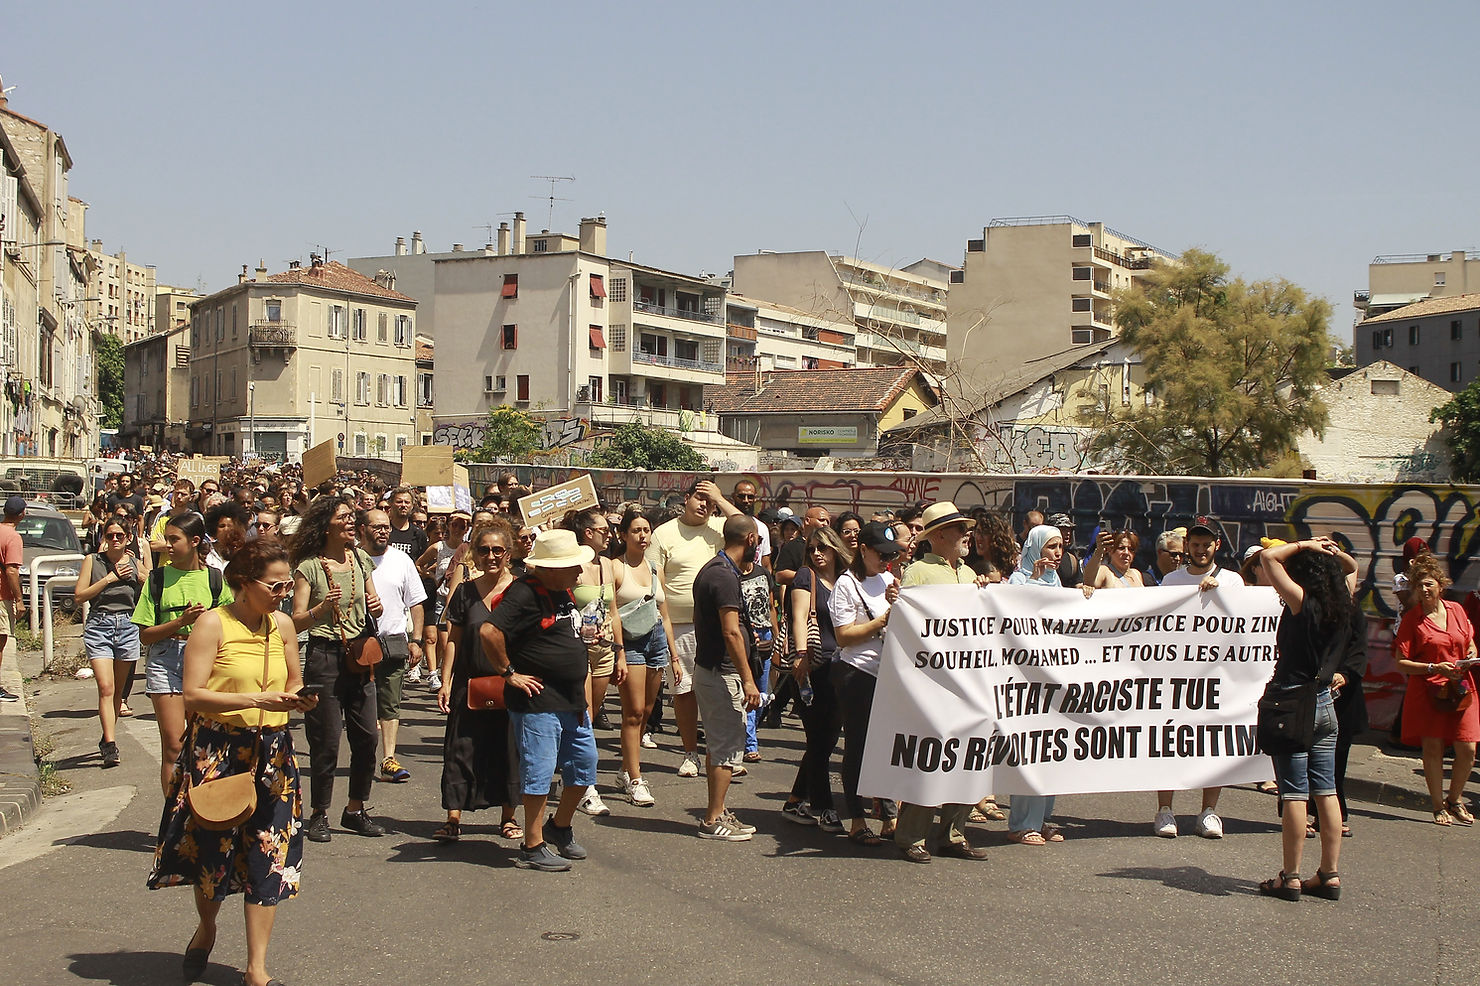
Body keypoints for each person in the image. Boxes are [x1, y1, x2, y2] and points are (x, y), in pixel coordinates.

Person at [147, 535, 315, 986]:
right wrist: (254, 697)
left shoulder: (281, 625)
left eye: (286, 586)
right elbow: (192, 695)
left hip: (274, 753)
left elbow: (294, 680)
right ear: (243, 582)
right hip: (217, 752)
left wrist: (299, 700)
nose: (283, 594)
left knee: (269, 851)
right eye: (274, 586)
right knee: (213, 853)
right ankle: (207, 927)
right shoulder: (213, 625)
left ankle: (256, 967)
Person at [479, 529, 600, 872]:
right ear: (549, 567)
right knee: (539, 772)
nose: (579, 571)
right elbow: (489, 631)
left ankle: (558, 827)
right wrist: (508, 673)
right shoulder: (524, 593)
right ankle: (532, 844)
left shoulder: (562, 592)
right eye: (572, 565)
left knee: (584, 767)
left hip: (572, 701)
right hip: (538, 701)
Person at [1255, 536, 1359, 901]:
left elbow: (1268, 557)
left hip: (1293, 702)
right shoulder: (1343, 604)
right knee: (1326, 791)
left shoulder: (1303, 604)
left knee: (1295, 794)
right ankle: (1329, 873)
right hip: (1325, 701)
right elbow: (1352, 567)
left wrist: (1304, 545)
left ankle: (1291, 876)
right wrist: (1333, 553)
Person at [893, 502, 990, 862]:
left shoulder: (970, 575)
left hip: (971, 682)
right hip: (934, 683)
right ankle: (911, 837)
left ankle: (954, 832)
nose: (966, 534)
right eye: (959, 528)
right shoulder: (918, 573)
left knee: (969, 757)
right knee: (930, 758)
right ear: (939, 535)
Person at [289, 496, 386, 842]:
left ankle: (355, 809)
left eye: (351, 516)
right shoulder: (309, 567)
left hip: (360, 656)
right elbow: (296, 622)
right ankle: (319, 813)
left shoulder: (360, 560)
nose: (350, 522)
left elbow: (374, 605)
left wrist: (376, 605)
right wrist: (320, 609)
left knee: (367, 737)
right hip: (324, 658)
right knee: (326, 740)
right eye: (343, 516)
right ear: (325, 524)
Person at [1153, 516, 1244, 838]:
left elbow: (1243, 626)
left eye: (1207, 544)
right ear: (1187, 546)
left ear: (1217, 545)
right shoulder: (1172, 581)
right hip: (1176, 677)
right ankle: (1165, 810)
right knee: (1169, 743)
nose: (1201, 550)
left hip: (1217, 676)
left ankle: (1209, 811)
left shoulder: (1232, 581)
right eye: (1195, 544)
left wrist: (1222, 596)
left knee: (1212, 745)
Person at [434, 519, 522, 843]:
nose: (491, 556)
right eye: (484, 550)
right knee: (460, 749)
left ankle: (509, 817)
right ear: (475, 553)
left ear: (508, 552)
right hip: (467, 684)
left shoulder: (520, 591)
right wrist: (444, 681)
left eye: (498, 550)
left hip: (511, 685)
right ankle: (453, 818)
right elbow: (453, 639)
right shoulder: (465, 592)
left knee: (508, 750)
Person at [133, 512, 232, 796]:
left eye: (174, 539)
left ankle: (201, 812)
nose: (168, 545)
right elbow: (145, 634)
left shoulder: (215, 580)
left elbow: (231, 624)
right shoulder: (157, 579)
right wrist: (179, 622)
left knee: (205, 743)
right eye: (167, 539)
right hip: (166, 658)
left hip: (206, 661)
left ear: (195, 541)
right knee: (175, 745)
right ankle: (173, 817)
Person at [647, 481, 738, 778]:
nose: (704, 505)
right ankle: (690, 754)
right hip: (680, 624)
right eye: (699, 498)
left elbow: (750, 530)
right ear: (686, 499)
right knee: (684, 691)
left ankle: (724, 755)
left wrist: (720, 498)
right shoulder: (664, 533)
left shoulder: (721, 528)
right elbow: (655, 581)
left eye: (708, 501)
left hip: (716, 625)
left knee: (723, 690)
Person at [690, 515, 764, 841]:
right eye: (758, 541)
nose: (759, 548)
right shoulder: (723, 576)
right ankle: (712, 819)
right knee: (725, 748)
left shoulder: (717, 569)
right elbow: (732, 632)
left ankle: (719, 811)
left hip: (715, 671)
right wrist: (748, 680)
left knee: (721, 744)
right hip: (721, 673)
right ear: (749, 539)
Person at [1392, 553, 1479, 825]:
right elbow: (1402, 662)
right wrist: (1433, 667)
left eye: (1429, 584)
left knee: (1468, 748)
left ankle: (1455, 798)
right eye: (1419, 585)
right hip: (1427, 689)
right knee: (1433, 748)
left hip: (1460, 685)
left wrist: (1470, 655)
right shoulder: (1413, 619)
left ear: (1441, 585)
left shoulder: (1456, 609)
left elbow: (1469, 641)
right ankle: (1438, 805)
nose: (1424, 589)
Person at [830, 521, 902, 847]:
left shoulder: (887, 579)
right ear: (863, 550)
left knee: (886, 746)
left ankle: (889, 816)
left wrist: (898, 604)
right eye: (880, 555)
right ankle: (857, 819)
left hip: (887, 673)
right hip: (856, 673)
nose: (886, 561)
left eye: (891, 555)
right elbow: (844, 636)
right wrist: (880, 621)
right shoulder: (846, 585)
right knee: (858, 747)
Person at [1005, 525, 1077, 846]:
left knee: (1052, 750)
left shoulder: (1058, 581)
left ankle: (1044, 817)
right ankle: (1023, 823)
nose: (1057, 553)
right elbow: (1015, 617)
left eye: (1060, 546)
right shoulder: (1018, 579)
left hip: (1054, 677)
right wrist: (1033, 582)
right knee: (1030, 751)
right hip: (1027, 681)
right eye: (1050, 547)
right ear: (1035, 548)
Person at [779, 526, 850, 830]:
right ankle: (823, 807)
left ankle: (796, 800)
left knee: (827, 738)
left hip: (842, 667)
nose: (818, 554)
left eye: (824, 548)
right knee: (819, 738)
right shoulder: (804, 577)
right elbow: (798, 617)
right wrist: (800, 655)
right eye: (812, 549)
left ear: (835, 549)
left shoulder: (847, 580)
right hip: (811, 667)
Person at [611, 507, 682, 806]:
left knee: (647, 711)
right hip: (630, 642)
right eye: (637, 530)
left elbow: (664, 614)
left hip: (655, 641)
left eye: (646, 530)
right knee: (634, 711)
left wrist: (674, 656)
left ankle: (627, 768)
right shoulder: (615, 567)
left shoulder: (655, 568)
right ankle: (636, 780)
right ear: (624, 534)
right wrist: (619, 653)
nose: (643, 536)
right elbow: (612, 613)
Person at [566, 508, 627, 815]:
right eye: (604, 530)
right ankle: (586, 786)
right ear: (588, 533)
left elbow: (613, 610)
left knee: (591, 714)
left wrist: (620, 652)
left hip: (603, 646)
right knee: (585, 716)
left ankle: (574, 771)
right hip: (576, 648)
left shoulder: (606, 563)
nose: (610, 534)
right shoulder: (572, 562)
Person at [74, 517, 148, 768]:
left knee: (117, 690)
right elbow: (79, 595)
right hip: (100, 625)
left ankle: (108, 734)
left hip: (127, 625)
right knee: (105, 687)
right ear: (103, 538)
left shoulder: (135, 563)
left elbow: (152, 586)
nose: (114, 540)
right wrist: (110, 578)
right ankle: (110, 743)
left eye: (119, 535)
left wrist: (139, 575)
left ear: (128, 538)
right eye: (110, 536)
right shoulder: (92, 561)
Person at [359, 509, 426, 784]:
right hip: (358, 645)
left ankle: (388, 758)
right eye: (376, 527)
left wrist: (417, 640)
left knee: (390, 704)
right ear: (362, 529)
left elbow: (416, 602)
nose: (384, 531)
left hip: (393, 642)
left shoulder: (402, 560)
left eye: (386, 527)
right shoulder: (351, 559)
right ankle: (361, 758)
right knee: (359, 704)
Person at [0, 498, 24, 702]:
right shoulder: (13, 537)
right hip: (1, 596)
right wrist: (19, 600)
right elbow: (11, 571)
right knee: (0, 640)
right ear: (22, 514)